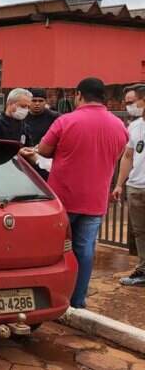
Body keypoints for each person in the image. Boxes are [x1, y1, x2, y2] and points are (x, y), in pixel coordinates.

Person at [24, 77, 127, 308]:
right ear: (105, 97)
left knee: (50, 250)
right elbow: (117, 155)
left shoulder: (66, 121)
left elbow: (44, 150)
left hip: (64, 198)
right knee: (85, 249)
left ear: (79, 95)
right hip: (95, 200)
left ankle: (46, 298)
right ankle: (77, 301)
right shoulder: (119, 126)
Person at [112, 85, 145, 286]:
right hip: (136, 187)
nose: (129, 107)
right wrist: (119, 184)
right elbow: (128, 156)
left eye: (132, 102)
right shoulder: (134, 126)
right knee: (140, 232)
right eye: (126, 103)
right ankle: (143, 269)